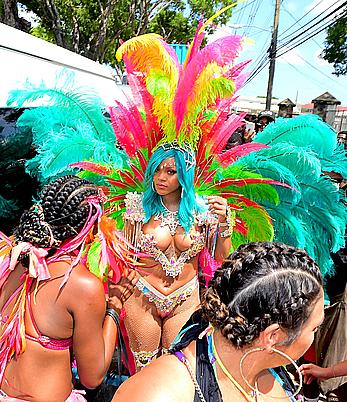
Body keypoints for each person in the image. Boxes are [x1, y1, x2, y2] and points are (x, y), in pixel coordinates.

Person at [113, 242, 325, 402]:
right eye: (314, 328)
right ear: (273, 336)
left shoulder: (273, 369)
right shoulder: (158, 394)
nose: (314, 335)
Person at [0, 175, 138, 401]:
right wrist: (115, 304)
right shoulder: (81, 285)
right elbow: (92, 377)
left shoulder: (12, 257)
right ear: (89, 229)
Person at [121, 143, 232, 371]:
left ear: (185, 174)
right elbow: (125, 255)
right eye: (157, 170)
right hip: (143, 297)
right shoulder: (137, 207)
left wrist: (223, 222)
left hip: (185, 299)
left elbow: (221, 257)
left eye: (171, 171)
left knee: (176, 369)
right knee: (145, 370)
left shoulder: (203, 212)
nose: (161, 177)